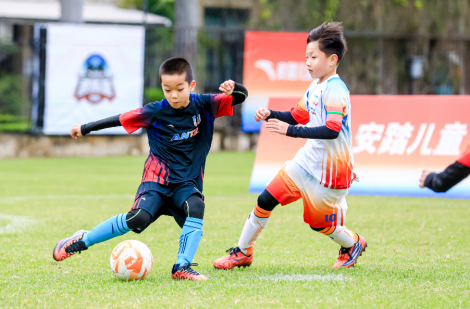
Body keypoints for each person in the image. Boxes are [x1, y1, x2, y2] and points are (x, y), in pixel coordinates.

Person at [52, 57, 248, 281]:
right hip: (157, 180)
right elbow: (120, 119)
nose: (173, 95)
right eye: (167, 89)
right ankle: (81, 240)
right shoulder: (155, 111)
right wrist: (85, 128)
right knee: (137, 218)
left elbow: (240, 97)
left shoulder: (206, 104)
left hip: (186, 183)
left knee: (196, 206)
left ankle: (182, 267)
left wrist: (235, 88)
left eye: (179, 89)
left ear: (191, 86)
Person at [213, 22, 367, 270]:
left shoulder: (336, 89)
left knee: (319, 224)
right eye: (306, 56)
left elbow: (332, 129)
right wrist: (270, 113)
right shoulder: (315, 85)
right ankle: (243, 252)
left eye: (313, 56)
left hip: (330, 172)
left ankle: (353, 244)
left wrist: (290, 132)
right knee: (266, 199)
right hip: (306, 161)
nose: (307, 62)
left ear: (332, 60)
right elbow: (296, 115)